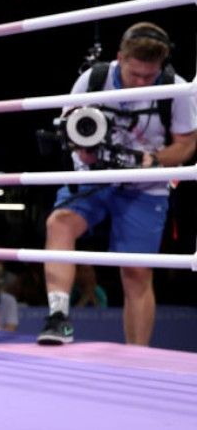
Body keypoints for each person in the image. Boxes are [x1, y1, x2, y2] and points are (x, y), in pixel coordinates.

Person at [38, 23, 197, 346]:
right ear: (119, 58)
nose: (140, 82)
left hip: (144, 185)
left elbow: (186, 144)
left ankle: (137, 355)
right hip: (93, 176)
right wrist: (82, 148)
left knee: (137, 273)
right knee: (59, 225)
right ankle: (58, 318)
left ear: (161, 68)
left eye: (147, 76)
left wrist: (153, 160)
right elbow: (68, 126)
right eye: (134, 73)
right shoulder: (94, 79)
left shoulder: (175, 87)